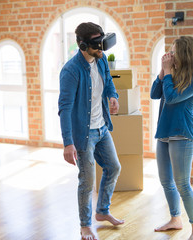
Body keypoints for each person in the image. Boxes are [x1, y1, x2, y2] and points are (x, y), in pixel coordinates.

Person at [58, 22, 124, 240]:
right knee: (87, 181)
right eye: (97, 44)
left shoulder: (101, 59)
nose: (102, 48)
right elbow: (65, 108)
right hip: (83, 134)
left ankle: (102, 211)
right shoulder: (70, 70)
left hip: (102, 127)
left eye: (102, 42)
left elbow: (108, 83)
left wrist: (113, 96)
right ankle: (85, 225)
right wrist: (68, 143)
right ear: (83, 44)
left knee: (113, 167)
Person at [150, 36, 193, 240]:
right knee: (166, 180)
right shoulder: (171, 73)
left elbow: (172, 98)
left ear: (185, 54)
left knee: (182, 183)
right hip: (165, 132)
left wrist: (167, 73)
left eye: (174, 51)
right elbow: (155, 94)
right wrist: (162, 71)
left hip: (182, 134)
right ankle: (175, 219)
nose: (170, 54)